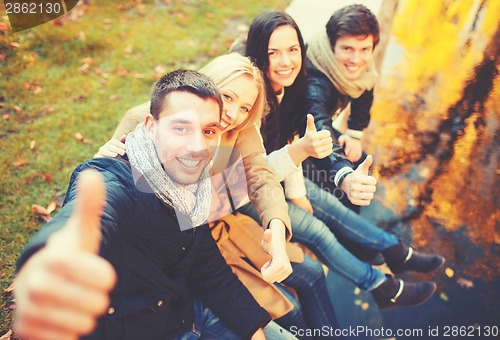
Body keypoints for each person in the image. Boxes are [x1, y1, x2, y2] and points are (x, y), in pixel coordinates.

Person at [13, 70, 289, 339]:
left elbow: (207, 267)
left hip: (183, 312)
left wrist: (253, 329)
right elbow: (90, 216)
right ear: (150, 126)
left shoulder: (195, 187)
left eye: (208, 131)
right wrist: (53, 258)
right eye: (181, 128)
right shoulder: (117, 179)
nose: (197, 146)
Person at [95, 53, 342, 337]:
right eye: (227, 96)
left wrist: (275, 226)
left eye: (244, 107)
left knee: (310, 272)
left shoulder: (241, 128)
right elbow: (107, 178)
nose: (232, 113)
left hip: (216, 227)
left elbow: (260, 177)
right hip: (179, 246)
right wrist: (103, 159)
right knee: (290, 311)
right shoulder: (146, 120)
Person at [237, 10, 444, 309]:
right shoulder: (269, 95)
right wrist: (336, 176)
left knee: (334, 207)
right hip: (249, 189)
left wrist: (354, 134)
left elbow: (290, 138)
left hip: (277, 172)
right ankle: (383, 284)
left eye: (293, 50)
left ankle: (394, 252)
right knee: (322, 228)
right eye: (274, 52)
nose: (286, 61)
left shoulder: (291, 84)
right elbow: (303, 137)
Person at [301, 4, 381, 215]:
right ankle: (347, 231)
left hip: (316, 132)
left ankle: (354, 218)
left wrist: (354, 134)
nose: (356, 60)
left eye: (364, 49)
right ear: (331, 45)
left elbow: (364, 89)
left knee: (361, 158)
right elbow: (318, 124)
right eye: (347, 49)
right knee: (342, 187)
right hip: (295, 139)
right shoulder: (315, 80)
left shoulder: (362, 69)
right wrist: (343, 174)